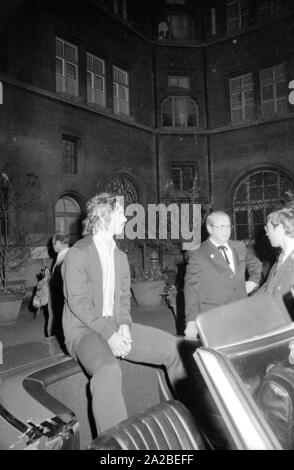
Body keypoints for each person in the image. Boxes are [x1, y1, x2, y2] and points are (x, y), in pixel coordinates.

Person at [62, 192, 186, 434]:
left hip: (114, 325)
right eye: (121, 213)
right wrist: (111, 335)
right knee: (108, 371)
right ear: (103, 216)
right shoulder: (79, 253)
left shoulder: (119, 255)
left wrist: (125, 326)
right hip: (83, 331)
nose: (126, 218)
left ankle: (187, 419)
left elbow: (123, 298)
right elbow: (79, 303)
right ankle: (115, 447)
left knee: (174, 348)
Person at [184, 210, 262, 339]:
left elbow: (255, 264)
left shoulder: (239, 247)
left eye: (228, 226)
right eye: (221, 226)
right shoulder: (198, 253)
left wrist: (253, 281)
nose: (226, 231)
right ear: (209, 228)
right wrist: (191, 321)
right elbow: (191, 287)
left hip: (240, 311)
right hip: (215, 316)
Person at [257, 206, 294, 318]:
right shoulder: (282, 258)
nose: (267, 234)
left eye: (268, 229)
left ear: (279, 228)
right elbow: (266, 288)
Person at [48, 233, 70, 343]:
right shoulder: (61, 256)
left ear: (58, 243)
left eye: (53, 243)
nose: (52, 246)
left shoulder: (67, 257)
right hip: (59, 301)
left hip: (63, 301)